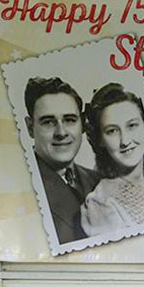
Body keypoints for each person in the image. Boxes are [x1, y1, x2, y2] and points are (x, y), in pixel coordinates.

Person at [80, 83, 144, 238]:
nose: (125, 141)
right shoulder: (100, 203)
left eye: (132, 125)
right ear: (101, 140)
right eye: (112, 131)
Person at [24, 76, 99, 244]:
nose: (61, 132)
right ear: (30, 128)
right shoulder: (20, 189)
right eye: (49, 122)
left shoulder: (98, 181)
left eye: (70, 120)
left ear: (83, 124)